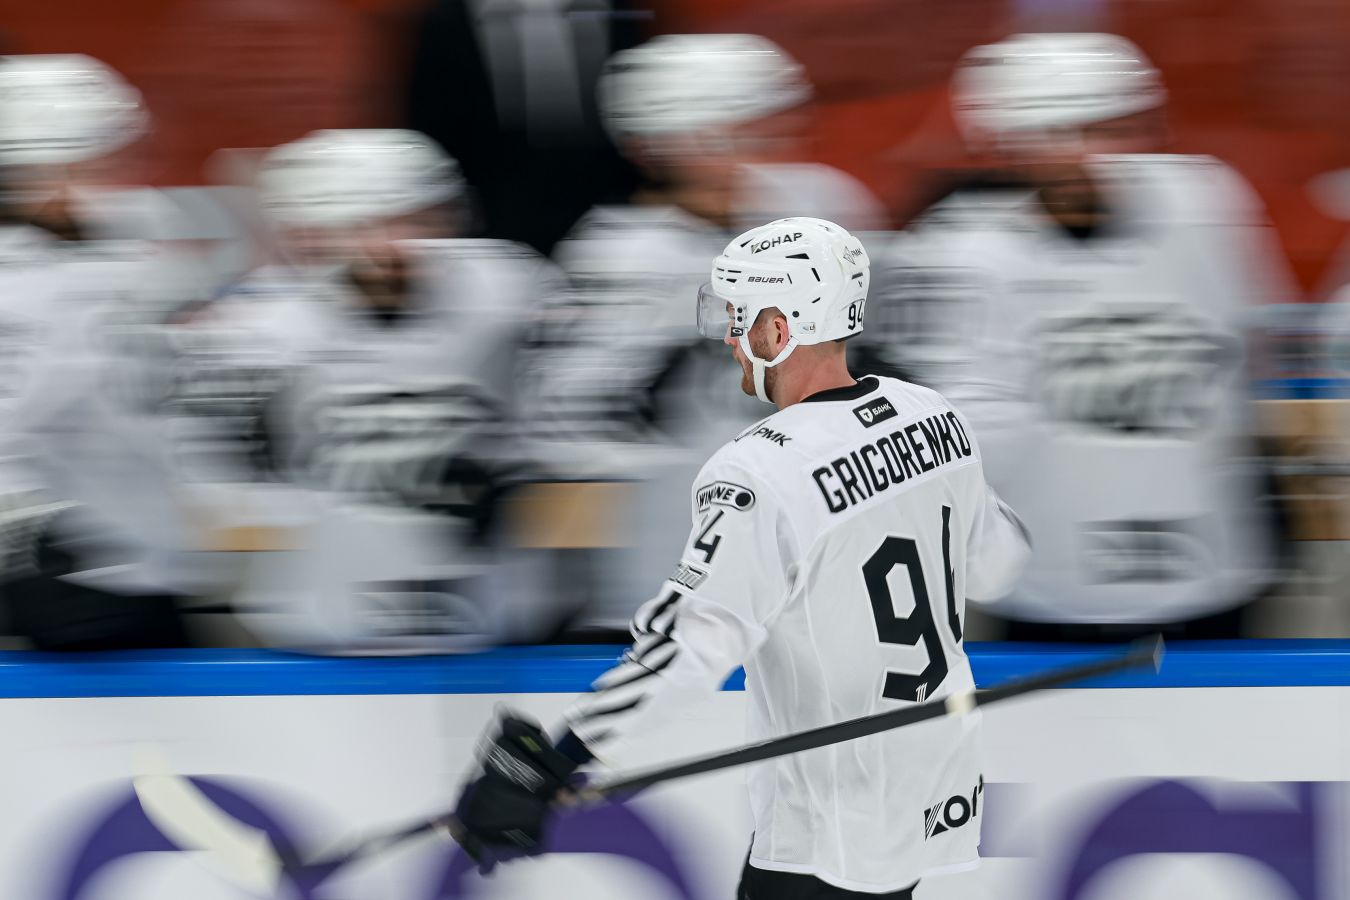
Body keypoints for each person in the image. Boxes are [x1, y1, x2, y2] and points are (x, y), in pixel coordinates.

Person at [453, 218, 1030, 898]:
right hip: (933, 781)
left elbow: (690, 647)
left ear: (780, 328)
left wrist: (558, 759)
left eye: (739, 319)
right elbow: (998, 565)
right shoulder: (933, 415)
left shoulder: (759, 470)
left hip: (831, 809)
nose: (729, 339)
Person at [860, 33, 1293, 640]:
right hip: (1049, 589)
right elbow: (957, 432)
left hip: (1213, 571)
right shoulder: (956, 252)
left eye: (1105, 129)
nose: (1085, 154)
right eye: (1053, 134)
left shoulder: (1206, 203)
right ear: (1006, 142)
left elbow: (1252, 356)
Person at [526, 33, 889, 629]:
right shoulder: (614, 258)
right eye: (742, 126)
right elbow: (567, 435)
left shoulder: (823, 207)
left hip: (816, 531)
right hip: (677, 545)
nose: (766, 142)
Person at [171, 129, 562, 651]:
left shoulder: (506, 289)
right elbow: (209, 484)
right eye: (363, 226)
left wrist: (515, 479)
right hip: (322, 617)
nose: (392, 244)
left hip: (497, 611)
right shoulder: (254, 331)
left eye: (413, 219)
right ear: (309, 234)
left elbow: (575, 430)